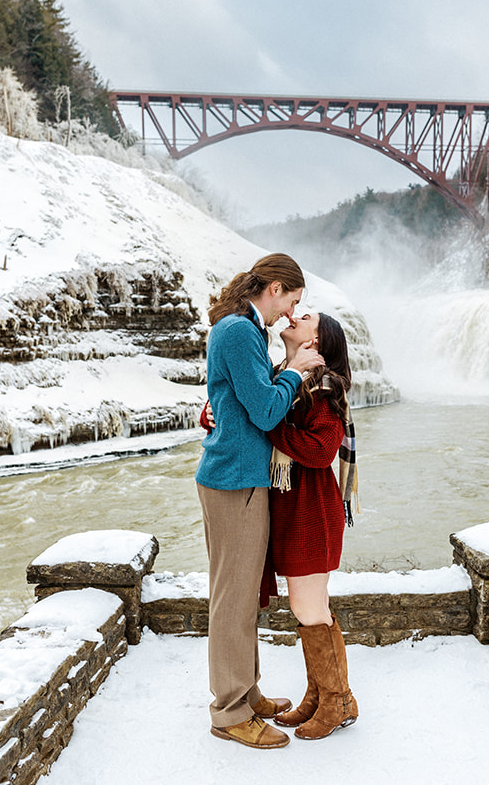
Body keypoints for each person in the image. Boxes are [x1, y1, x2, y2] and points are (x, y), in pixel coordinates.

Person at [195, 253, 324, 750]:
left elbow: (247, 398)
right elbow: (268, 411)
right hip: (234, 482)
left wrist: (283, 367)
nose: (291, 314)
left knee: (243, 596)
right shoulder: (237, 331)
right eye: (291, 302)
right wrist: (294, 368)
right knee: (232, 601)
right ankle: (229, 712)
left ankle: (245, 694)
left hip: (240, 478)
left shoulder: (246, 330)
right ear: (273, 288)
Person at [265, 310, 360, 740]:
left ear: (316, 342)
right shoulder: (286, 376)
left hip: (311, 511)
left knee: (309, 608)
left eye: (304, 317)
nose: (292, 316)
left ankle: (337, 700)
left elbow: (322, 452)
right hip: (295, 509)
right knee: (309, 608)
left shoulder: (322, 387)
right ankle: (322, 695)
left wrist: (268, 429)